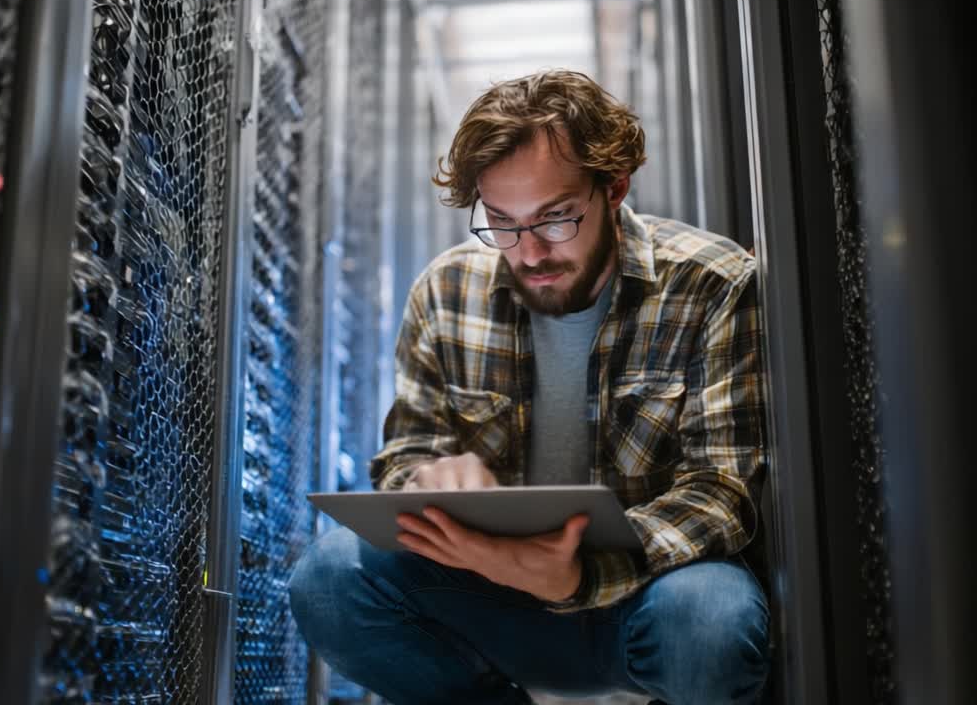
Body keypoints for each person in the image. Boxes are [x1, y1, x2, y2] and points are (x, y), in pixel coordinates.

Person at [289, 69, 770, 705]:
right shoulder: (446, 291)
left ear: (615, 188)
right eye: (503, 223)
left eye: (556, 219)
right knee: (328, 577)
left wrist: (579, 574)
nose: (531, 252)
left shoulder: (712, 282)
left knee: (712, 621)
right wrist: (428, 481)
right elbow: (405, 456)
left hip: (645, 595)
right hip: (489, 591)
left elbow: (723, 491)